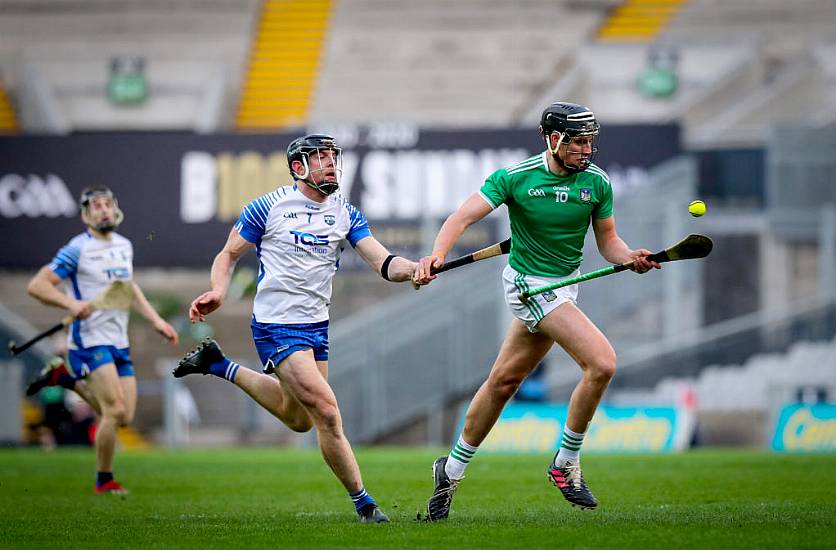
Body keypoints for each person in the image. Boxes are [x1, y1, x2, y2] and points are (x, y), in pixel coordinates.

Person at [414, 102, 661, 520]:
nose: (587, 149)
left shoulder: (597, 184)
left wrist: (631, 257)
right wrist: (436, 255)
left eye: (590, 141)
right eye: (578, 141)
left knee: (504, 381)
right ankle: (566, 463)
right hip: (529, 286)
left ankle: (449, 471)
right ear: (553, 139)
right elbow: (461, 217)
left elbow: (609, 243)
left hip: (565, 287)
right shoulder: (515, 178)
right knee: (602, 363)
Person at [173, 134, 420, 524]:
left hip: (316, 327)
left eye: (332, 158)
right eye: (320, 158)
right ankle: (365, 505)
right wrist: (219, 291)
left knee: (300, 418)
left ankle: (221, 365)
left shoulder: (345, 212)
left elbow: (384, 262)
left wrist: (414, 270)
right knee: (326, 411)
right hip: (276, 326)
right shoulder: (268, 207)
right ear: (298, 167)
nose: (329, 164)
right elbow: (228, 253)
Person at [25, 185, 179, 494]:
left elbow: (128, 287)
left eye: (108, 204)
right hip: (89, 340)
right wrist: (70, 305)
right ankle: (104, 480)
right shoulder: (76, 250)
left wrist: (156, 320)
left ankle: (64, 378)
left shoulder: (124, 245)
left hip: (118, 341)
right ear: (85, 215)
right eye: (96, 206)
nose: (104, 210)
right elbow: (37, 286)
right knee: (114, 411)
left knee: (125, 416)